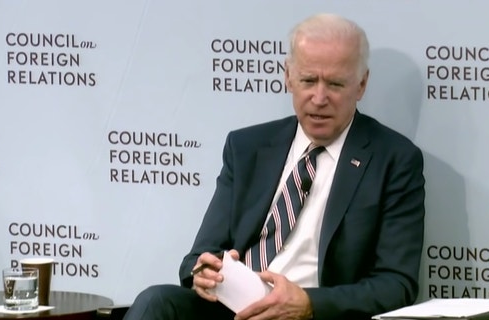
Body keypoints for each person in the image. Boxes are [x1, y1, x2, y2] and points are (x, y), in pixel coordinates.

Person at [123, 13, 425, 320]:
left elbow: (396, 284)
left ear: (360, 85)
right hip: (232, 309)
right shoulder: (246, 147)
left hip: (312, 313)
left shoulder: (394, 159)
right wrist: (202, 272)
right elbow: (198, 258)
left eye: (335, 84)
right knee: (156, 301)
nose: (319, 98)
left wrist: (309, 303)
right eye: (308, 80)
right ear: (288, 76)